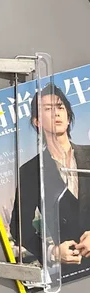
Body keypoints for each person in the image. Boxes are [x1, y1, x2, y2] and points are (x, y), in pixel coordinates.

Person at [10, 84, 90, 273]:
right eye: (48, 109)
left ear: (68, 117)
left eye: (60, 107)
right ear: (37, 122)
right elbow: (18, 227)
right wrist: (52, 252)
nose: (56, 113)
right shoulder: (30, 171)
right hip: (71, 270)